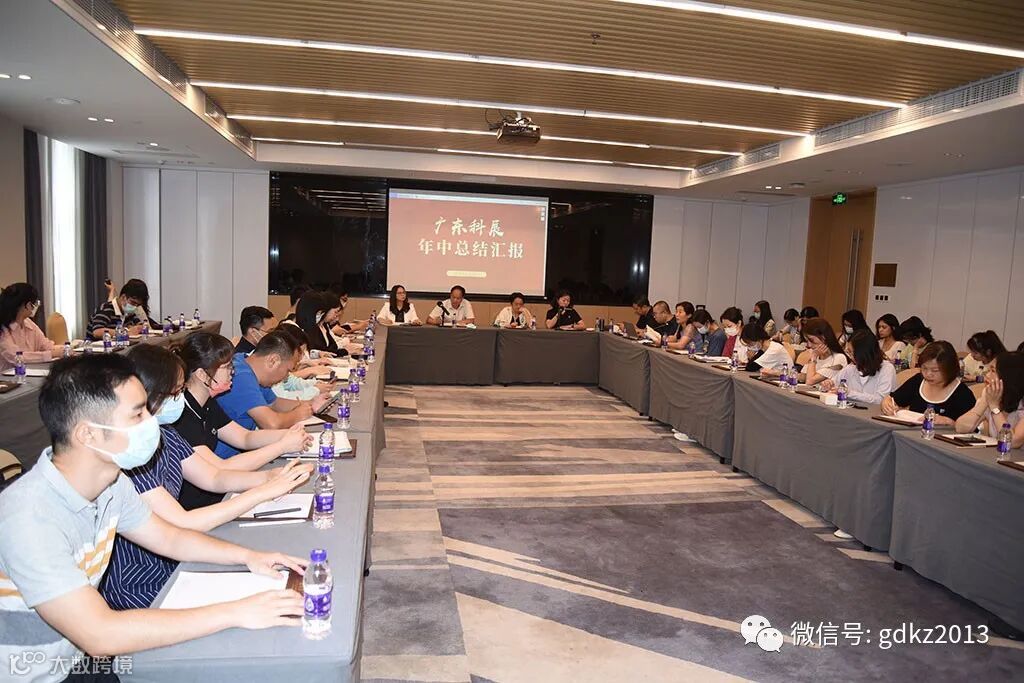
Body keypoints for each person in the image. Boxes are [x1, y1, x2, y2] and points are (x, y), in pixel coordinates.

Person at [0, 355, 305, 681]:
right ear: (88, 434)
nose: (151, 422)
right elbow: (100, 636)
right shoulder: (29, 517)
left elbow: (170, 538)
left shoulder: (111, 483)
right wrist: (236, 612)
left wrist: (250, 557)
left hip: (75, 657)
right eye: (137, 414)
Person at [102, 344, 312, 610]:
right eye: (176, 392)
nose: (181, 398)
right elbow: (182, 524)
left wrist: (271, 477)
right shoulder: (129, 459)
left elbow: (214, 477)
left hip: (179, 558)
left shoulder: (165, 433)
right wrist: (262, 491)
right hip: (143, 583)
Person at [173, 332, 317, 509]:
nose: (233, 372)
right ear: (203, 374)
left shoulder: (207, 402)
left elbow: (245, 437)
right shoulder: (182, 416)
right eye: (227, 367)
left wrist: (287, 435)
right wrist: (281, 447)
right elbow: (220, 469)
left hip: (222, 491)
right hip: (202, 503)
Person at [215, 331, 328, 456]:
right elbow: (271, 424)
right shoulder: (240, 376)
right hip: (227, 457)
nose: (286, 377)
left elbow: (274, 403)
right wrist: (297, 414)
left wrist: (309, 404)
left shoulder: (247, 363)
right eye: (287, 371)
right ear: (273, 360)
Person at [882, 341, 976, 423]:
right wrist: (887, 403)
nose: (928, 374)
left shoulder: (962, 394)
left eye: (935, 370)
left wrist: (950, 422)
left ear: (949, 369)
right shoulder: (918, 381)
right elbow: (893, 399)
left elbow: (972, 428)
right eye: (924, 368)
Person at [955, 352, 1024, 448]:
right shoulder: (992, 396)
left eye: (993, 371)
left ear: (1009, 377)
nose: (987, 375)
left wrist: (994, 408)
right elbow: (961, 428)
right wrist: (984, 401)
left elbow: (1013, 442)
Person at [820, 329, 896, 404]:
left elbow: (880, 399)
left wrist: (849, 393)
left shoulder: (887, 369)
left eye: (851, 352)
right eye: (848, 352)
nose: (849, 356)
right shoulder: (850, 368)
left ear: (863, 353)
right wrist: (828, 384)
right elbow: (833, 383)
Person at [0, 282, 58, 372]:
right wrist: (51, 354)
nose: (36, 306)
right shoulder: (3, 329)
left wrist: (64, 349)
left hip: (29, 373)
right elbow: (17, 357)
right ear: (27, 305)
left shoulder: (28, 323)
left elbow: (46, 345)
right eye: (34, 303)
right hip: (7, 378)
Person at [87, 278, 157, 340]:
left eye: (138, 305)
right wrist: (125, 332)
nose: (135, 307)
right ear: (123, 297)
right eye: (133, 302)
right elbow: (97, 332)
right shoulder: (106, 308)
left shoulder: (129, 312)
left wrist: (138, 328)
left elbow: (140, 325)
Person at [800, 318, 849, 385]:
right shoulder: (817, 355)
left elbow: (809, 381)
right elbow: (803, 376)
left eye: (811, 340)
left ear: (824, 337)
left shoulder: (839, 358)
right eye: (807, 341)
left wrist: (813, 359)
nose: (809, 345)